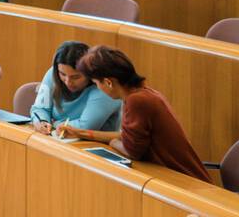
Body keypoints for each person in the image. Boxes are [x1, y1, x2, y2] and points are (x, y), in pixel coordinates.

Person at [70, 46, 212, 183]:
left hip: (185, 182)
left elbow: (132, 151)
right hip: (179, 178)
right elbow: (126, 137)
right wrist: (79, 133)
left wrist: (112, 142)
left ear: (108, 82)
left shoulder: (136, 101)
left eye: (96, 83)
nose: (98, 88)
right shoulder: (141, 92)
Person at [29, 40, 121, 135]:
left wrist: (54, 124)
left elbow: (85, 126)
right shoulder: (53, 73)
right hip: (57, 138)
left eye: (76, 77)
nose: (68, 82)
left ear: (89, 74)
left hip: (92, 145)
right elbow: (39, 108)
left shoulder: (103, 87)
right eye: (62, 74)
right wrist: (42, 122)